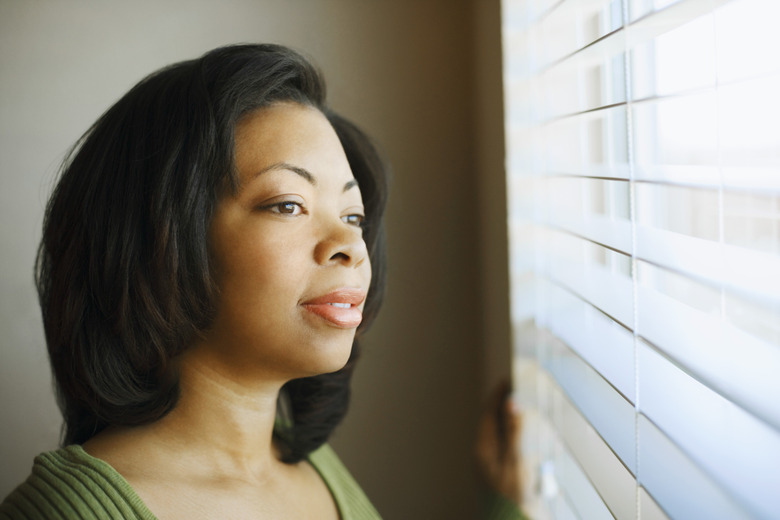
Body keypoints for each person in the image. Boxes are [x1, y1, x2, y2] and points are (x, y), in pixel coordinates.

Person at [0, 43, 526, 519]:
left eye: (353, 215)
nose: (349, 245)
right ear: (159, 241)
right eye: (288, 204)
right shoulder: (63, 514)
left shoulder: (313, 464)